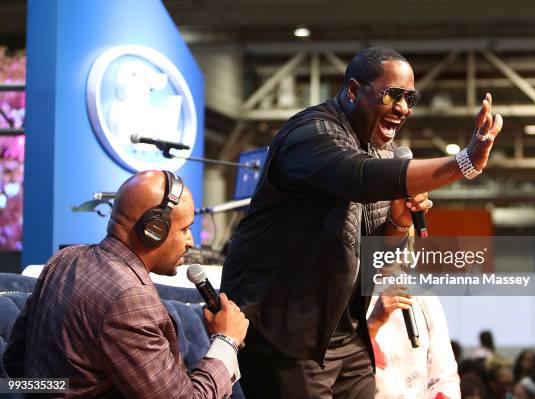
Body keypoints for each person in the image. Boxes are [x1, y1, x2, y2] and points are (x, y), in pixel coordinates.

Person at [221, 46, 503, 399]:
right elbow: (357, 176)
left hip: (345, 335)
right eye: (392, 95)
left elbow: (375, 258)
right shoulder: (311, 134)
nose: (403, 108)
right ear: (353, 90)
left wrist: (400, 221)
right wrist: (464, 162)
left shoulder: (383, 148)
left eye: (410, 98)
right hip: (286, 336)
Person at [3, 170, 249, 398]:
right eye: (185, 229)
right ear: (154, 230)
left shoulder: (65, 259)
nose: (190, 242)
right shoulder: (129, 299)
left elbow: (16, 362)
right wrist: (226, 341)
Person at [366, 287, 460, 399]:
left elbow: (444, 377)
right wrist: (373, 324)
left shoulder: (427, 299)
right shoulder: (348, 293)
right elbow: (346, 361)